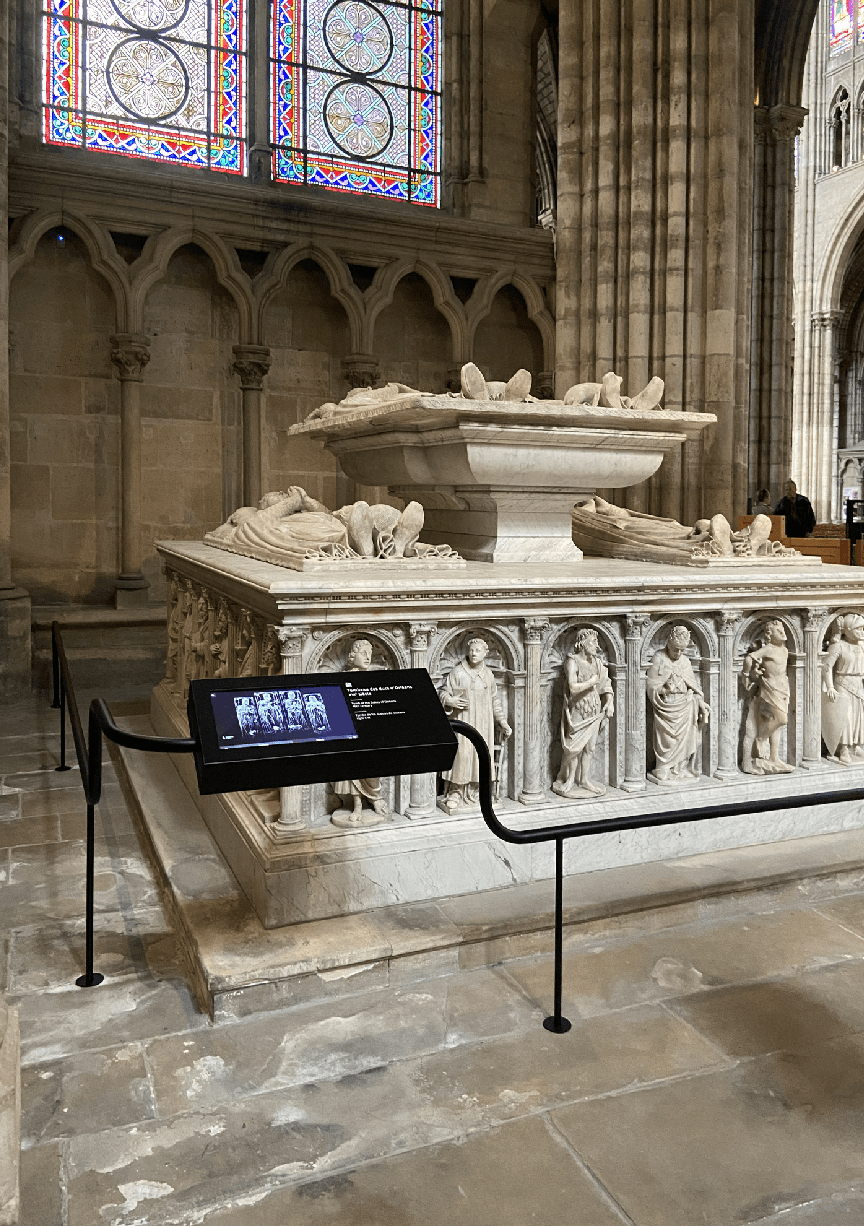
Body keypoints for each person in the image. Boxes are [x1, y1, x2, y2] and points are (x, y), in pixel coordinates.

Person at [439, 638, 511, 809]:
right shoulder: (458, 672)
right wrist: (450, 700)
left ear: (486, 653)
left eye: (478, 650)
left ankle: (478, 790)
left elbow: (495, 701)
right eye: (471, 650)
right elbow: (443, 692)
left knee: (481, 756)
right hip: (463, 722)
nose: (474, 653)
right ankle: (456, 791)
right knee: (462, 755)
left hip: (484, 724)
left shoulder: (488, 675)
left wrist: (502, 722)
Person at [330, 639, 390, 828]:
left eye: (369, 654)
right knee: (352, 766)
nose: (367, 657)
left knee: (372, 767)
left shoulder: (373, 678)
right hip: (350, 729)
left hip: (370, 730)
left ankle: (375, 797)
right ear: (352, 656)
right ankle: (357, 804)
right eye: (363, 653)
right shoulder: (343, 678)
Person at [552, 629, 614, 798]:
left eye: (596, 642)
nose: (597, 646)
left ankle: (584, 780)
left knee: (590, 747)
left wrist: (609, 701)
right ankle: (570, 779)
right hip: (578, 707)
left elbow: (606, 685)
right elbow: (573, 687)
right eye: (593, 642)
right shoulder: (573, 661)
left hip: (594, 707)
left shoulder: (597, 663)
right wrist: (591, 682)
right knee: (574, 747)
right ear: (583, 644)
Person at [645, 625, 710, 784]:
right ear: (668, 643)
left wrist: (699, 701)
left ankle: (680, 768)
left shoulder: (685, 661)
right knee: (667, 740)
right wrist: (665, 689)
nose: (679, 653)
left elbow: (693, 687)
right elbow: (651, 686)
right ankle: (663, 767)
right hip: (666, 706)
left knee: (686, 739)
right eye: (675, 649)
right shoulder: (658, 658)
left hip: (686, 706)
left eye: (682, 650)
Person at [741, 619, 794, 775]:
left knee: (777, 725)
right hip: (770, 688)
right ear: (770, 635)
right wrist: (746, 675)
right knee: (781, 719)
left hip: (783, 688)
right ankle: (761, 738)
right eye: (779, 631)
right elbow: (749, 658)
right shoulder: (768, 649)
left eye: (783, 629)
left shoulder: (784, 650)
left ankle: (774, 757)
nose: (783, 632)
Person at [822, 613, 864, 765]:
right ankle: (844, 748)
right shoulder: (838, 646)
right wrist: (830, 687)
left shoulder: (862, 645)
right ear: (848, 630)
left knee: (859, 716)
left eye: (863, 628)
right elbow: (827, 667)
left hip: (858, 683)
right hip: (842, 683)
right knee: (845, 717)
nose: (862, 632)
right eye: (858, 629)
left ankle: (856, 745)